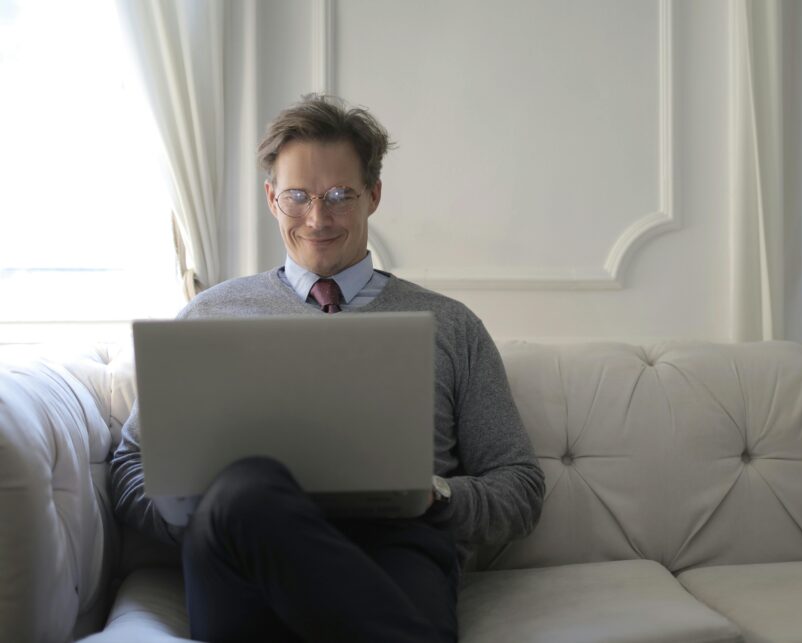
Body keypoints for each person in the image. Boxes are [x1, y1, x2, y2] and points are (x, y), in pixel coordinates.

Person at [110, 93, 545, 643]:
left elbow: (521, 486)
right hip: (241, 550)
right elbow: (129, 470)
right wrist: (208, 502)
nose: (318, 218)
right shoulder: (208, 315)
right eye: (298, 197)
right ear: (272, 199)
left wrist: (438, 495)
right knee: (247, 487)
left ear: (374, 196)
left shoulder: (451, 326)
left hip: (397, 545)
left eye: (340, 195)